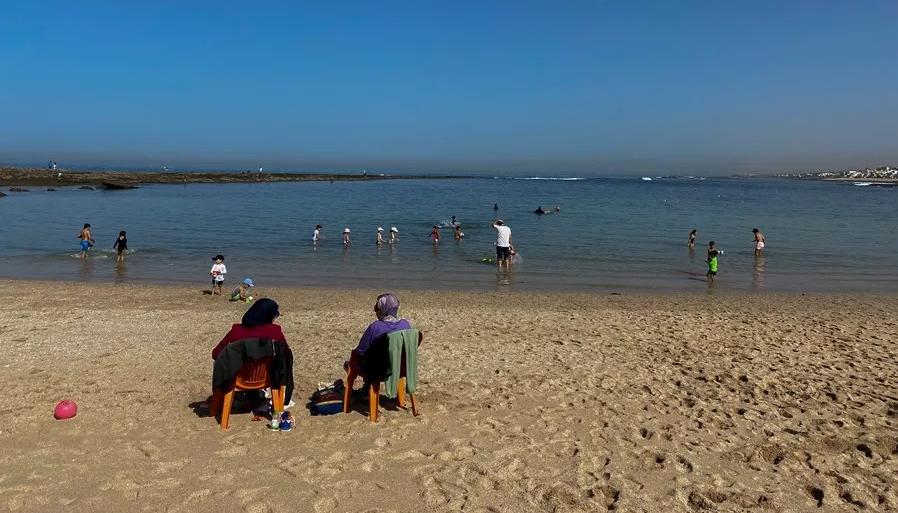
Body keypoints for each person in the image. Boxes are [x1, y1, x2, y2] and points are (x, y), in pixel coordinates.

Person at [211, 298, 294, 414]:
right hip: (267, 379)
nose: (275, 317)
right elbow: (286, 353)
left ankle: (218, 401)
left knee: (224, 359)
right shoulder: (275, 332)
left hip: (237, 379)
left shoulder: (236, 331)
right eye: (275, 314)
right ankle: (269, 401)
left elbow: (215, 354)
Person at [343, 293, 412, 389]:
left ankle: (366, 389)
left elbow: (361, 351)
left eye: (377, 307)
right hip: (400, 368)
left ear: (384, 309)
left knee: (354, 361)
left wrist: (353, 357)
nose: (375, 311)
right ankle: (368, 389)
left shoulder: (376, 327)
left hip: (378, 371)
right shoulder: (406, 325)